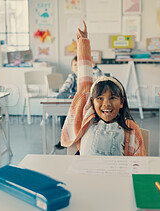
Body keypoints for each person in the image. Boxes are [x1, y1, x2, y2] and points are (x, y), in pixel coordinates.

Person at [60, 21, 145, 156]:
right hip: (87, 176)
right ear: (91, 102)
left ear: (122, 102)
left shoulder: (130, 127)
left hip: (117, 176)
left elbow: (138, 163)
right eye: (100, 98)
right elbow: (84, 84)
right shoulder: (88, 119)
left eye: (113, 98)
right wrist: (83, 43)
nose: (106, 103)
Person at [54, 56, 103, 150]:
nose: (77, 67)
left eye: (79, 65)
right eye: (75, 65)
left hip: (88, 105)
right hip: (74, 105)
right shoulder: (72, 77)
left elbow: (101, 79)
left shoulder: (90, 75)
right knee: (64, 113)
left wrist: (94, 66)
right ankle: (64, 137)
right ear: (72, 68)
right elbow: (63, 90)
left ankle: (86, 138)